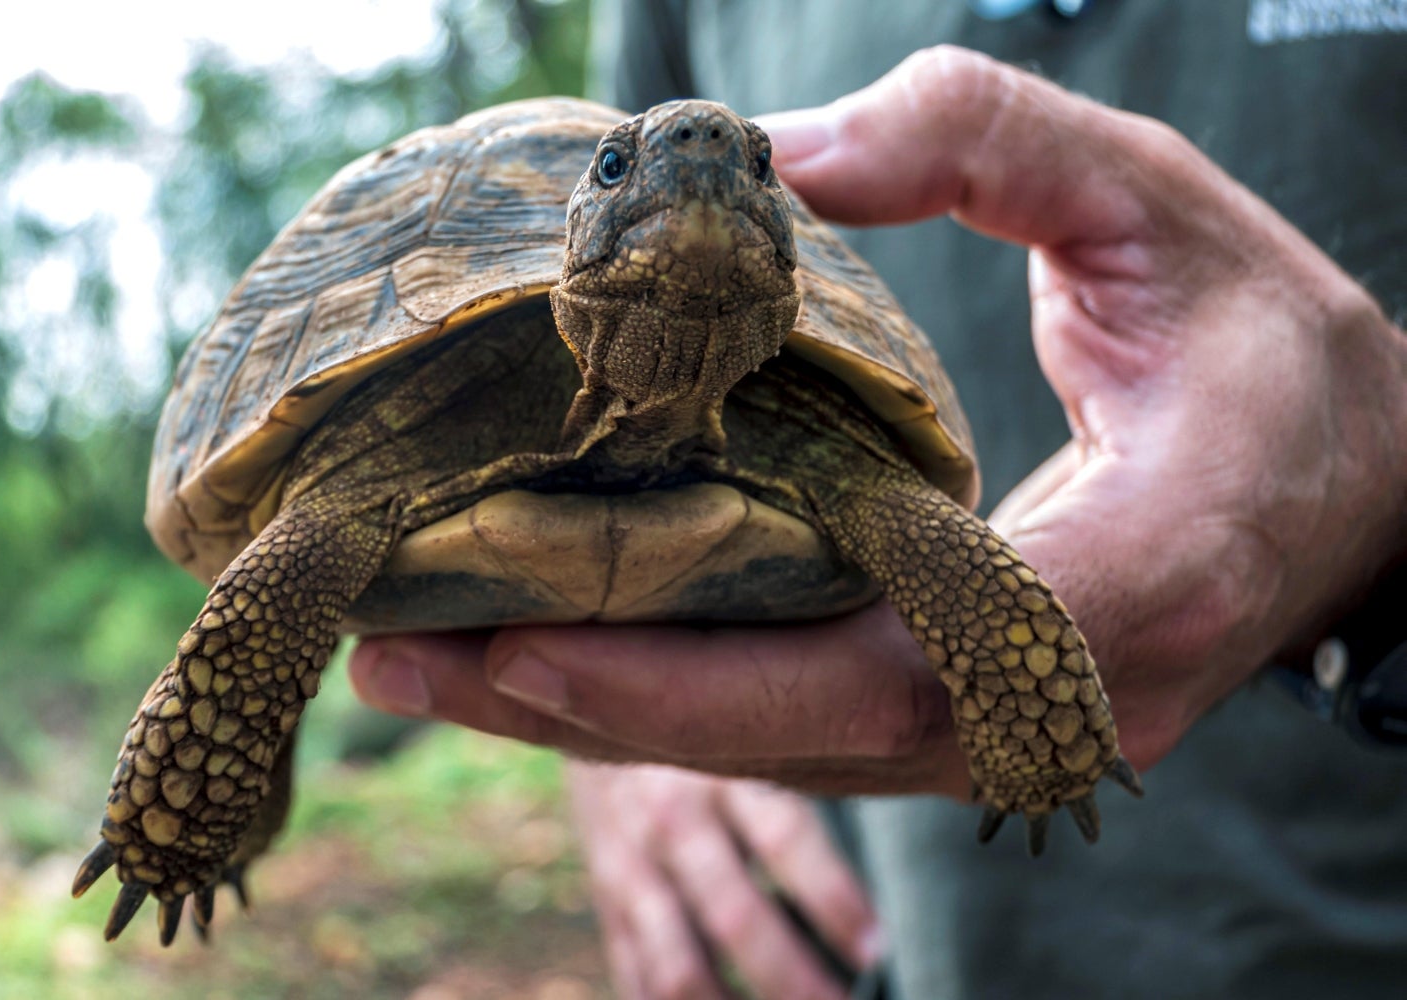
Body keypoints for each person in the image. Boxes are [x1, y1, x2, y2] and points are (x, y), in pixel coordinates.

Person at [350, 2, 1407, 996]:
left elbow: (952, 558)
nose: (703, 164)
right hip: (845, 935)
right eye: (632, 166)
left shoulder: (841, 468)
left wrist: (1377, 465)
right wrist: (608, 742)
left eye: (751, 162)